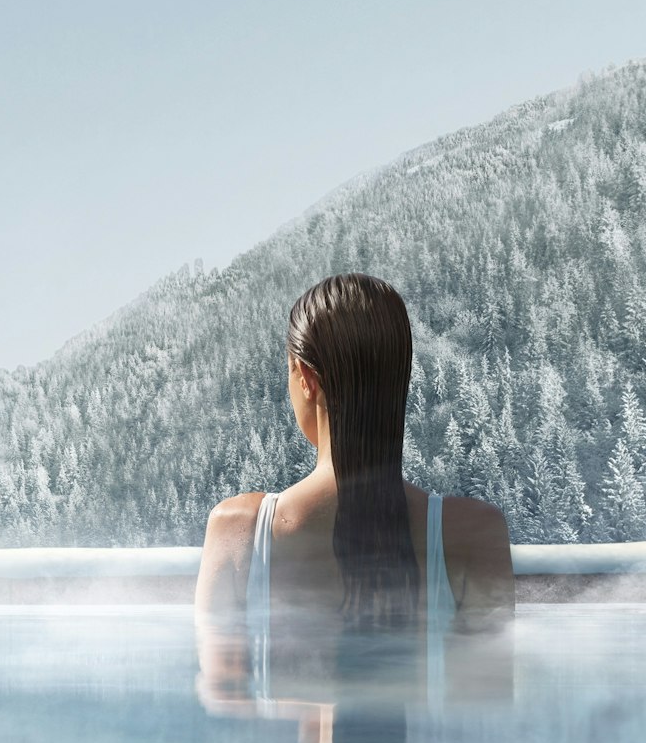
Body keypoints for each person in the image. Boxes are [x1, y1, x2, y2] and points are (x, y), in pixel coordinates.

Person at [194, 274, 512, 703]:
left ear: (305, 377)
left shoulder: (237, 530)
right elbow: (486, 713)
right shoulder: (473, 534)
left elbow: (227, 714)